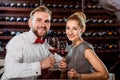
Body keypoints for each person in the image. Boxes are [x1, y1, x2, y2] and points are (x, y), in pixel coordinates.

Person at [1, 6, 62, 80]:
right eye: (39, 20)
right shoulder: (18, 41)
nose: (43, 25)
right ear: (30, 23)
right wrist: (40, 65)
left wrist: (63, 65)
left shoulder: (46, 46)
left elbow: (60, 62)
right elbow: (10, 71)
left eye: (47, 21)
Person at [59, 12, 109, 80]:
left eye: (74, 29)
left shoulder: (85, 48)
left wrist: (79, 76)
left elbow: (105, 75)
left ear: (82, 29)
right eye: (68, 28)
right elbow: (64, 78)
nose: (70, 32)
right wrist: (64, 71)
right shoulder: (69, 48)